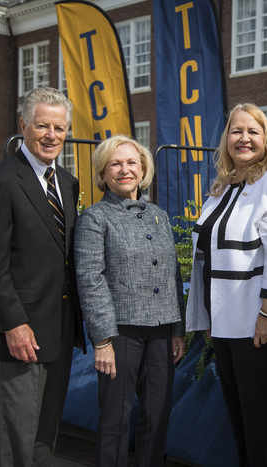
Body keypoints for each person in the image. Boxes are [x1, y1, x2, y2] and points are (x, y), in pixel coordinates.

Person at [0, 86, 86, 466]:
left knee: (43, 438)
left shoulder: (68, 184)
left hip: (59, 330)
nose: (51, 135)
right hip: (22, 333)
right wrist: (13, 324)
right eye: (42, 126)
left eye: (59, 127)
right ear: (23, 125)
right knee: (16, 439)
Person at [186, 103, 267, 467]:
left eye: (253, 131)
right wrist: (210, 319)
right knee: (239, 417)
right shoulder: (222, 186)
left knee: (261, 420)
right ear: (226, 139)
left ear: (266, 138)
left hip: (257, 325)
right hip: (226, 325)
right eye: (236, 131)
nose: (244, 138)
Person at [74, 135, 185, 467]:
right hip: (120, 333)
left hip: (162, 332)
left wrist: (177, 328)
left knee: (157, 415)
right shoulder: (95, 218)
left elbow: (172, 275)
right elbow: (89, 280)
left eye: (131, 162)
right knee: (115, 419)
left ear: (143, 169)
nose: (125, 170)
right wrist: (103, 339)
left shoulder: (158, 216)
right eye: (115, 164)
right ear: (103, 173)